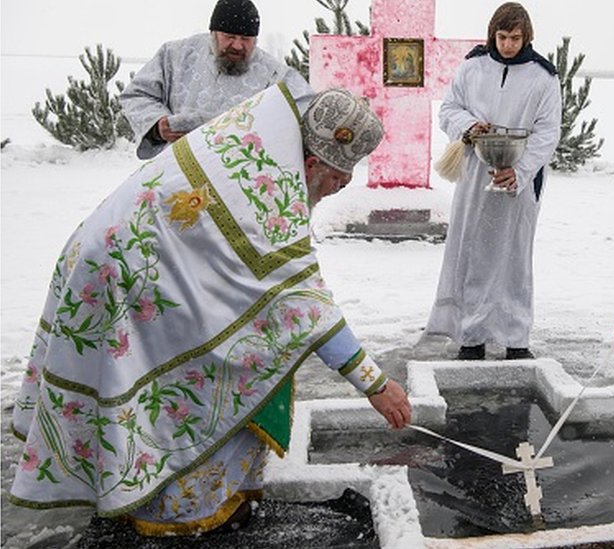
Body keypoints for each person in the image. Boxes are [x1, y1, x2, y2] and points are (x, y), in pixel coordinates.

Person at [9, 84, 411, 536]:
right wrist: (375, 384)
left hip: (124, 260)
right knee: (203, 374)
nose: (339, 188)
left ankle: (197, 490)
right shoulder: (271, 189)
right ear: (314, 162)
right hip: (119, 274)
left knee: (248, 348)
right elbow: (303, 302)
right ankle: (177, 506)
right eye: (338, 178)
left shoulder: (262, 138)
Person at [425, 2, 561, 361]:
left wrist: (520, 170)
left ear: (526, 36)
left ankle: (516, 338)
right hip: (474, 174)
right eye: (502, 37)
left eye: (515, 38)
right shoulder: (472, 68)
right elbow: (448, 109)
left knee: (513, 258)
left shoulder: (543, 77)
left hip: (519, 181)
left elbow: (548, 132)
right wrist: (469, 126)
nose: (508, 45)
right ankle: (472, 336)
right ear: (492, 35)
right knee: (472, 252)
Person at [121, 0, 313, 160]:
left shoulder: (275, 75)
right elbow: (137, 95)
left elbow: (309, 113)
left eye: (246, 39)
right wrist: (157, 125)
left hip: (237, 181)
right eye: (229, 36)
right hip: (173, 171)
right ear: (213, 33)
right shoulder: (175, 55)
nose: (237, 46)